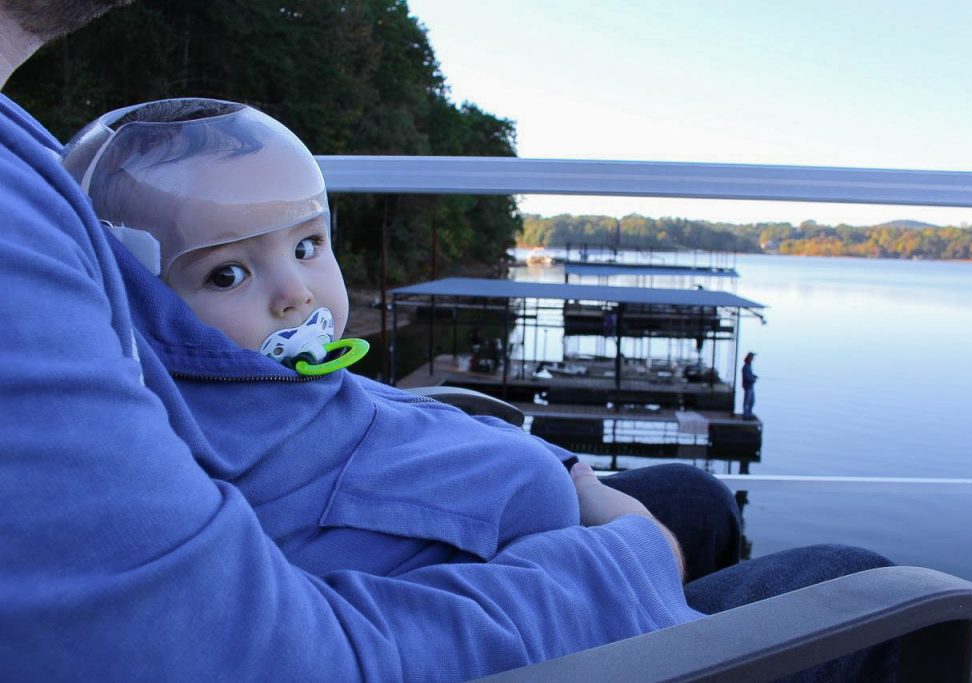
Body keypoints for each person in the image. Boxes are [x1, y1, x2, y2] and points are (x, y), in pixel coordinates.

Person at [0, 4, 891, 678]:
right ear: (146, 300)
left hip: (525, 518)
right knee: (866, 583)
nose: (295, 291)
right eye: (226, 272)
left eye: (309, 246)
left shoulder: (41, 195)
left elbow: (332, 411)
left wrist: (565, 471)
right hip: (521, 597)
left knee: (696, 494)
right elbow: (263, 643)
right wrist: (628, 554)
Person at [742, 350, 758, 419]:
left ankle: (749, 414)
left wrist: (753, 376)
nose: (753, 358)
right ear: (749, 358)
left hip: (750, 387)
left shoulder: (749, 366)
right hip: (748, 387)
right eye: (752, 357)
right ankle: (746, 415)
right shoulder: (746, 367)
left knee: (752, 401)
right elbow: (747, 378)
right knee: (747, 402)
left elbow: (749, 375)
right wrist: (753, 379)